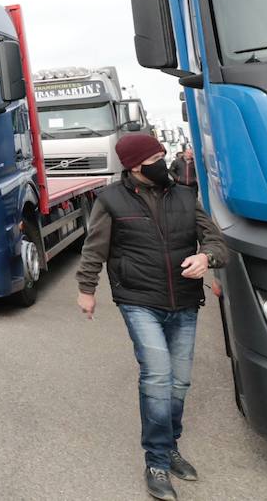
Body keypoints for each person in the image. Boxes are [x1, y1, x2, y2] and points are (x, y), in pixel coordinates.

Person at [75, 133, 227, 501]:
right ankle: (157, 460)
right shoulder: (110, 200)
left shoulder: (186, 196)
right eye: (156, 157)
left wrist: (207, 258)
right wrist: (87, 289)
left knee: (179, 384)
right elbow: (95, 246)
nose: (164, 161)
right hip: (138, 299)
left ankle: (169, 445)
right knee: (158, 377)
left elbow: (217, 242)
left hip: (185, 302)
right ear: (134, 166)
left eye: (163, 154)